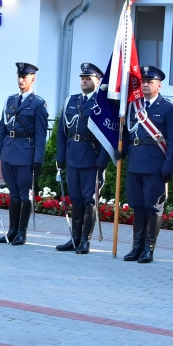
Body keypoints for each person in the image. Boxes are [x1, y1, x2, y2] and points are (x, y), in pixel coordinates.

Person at [121, 65, 173, 263]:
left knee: (153, 207)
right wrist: (122, 151)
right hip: (135, 162)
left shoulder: (169, 108)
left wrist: (168, 167)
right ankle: (136, 246)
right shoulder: (133, 106)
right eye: (144, 82)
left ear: (159, 85)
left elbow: (172, 141)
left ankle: (149, 248)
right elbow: (127, 133)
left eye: (150, 82)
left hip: (155, 165)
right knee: (137, 206)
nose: (146, 85)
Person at [0, 62, 48, 246]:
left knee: (24, 195)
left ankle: (22, 232)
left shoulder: (38, 104)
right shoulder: (10, 100)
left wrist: (38, 159)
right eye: (19, 76)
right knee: (13, 195)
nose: (21, 80)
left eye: (25, 77)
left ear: (33, 79)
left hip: (25, 154)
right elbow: (2, 129)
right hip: (8, 152)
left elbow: (41, 134)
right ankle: (12, 230)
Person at [55, 62, 110, 254]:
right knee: (75, 199)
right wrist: (60, 157)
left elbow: (108, 134)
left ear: (98, 80)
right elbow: (62, 132)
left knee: (89, 200)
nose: (85, 81)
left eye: (89, 78)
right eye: (83, 78)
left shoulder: (104, 104)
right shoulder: (71, 100)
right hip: (72, 156)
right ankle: (74, 238)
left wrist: (102, 161)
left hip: (91, 158)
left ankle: (85, 240)